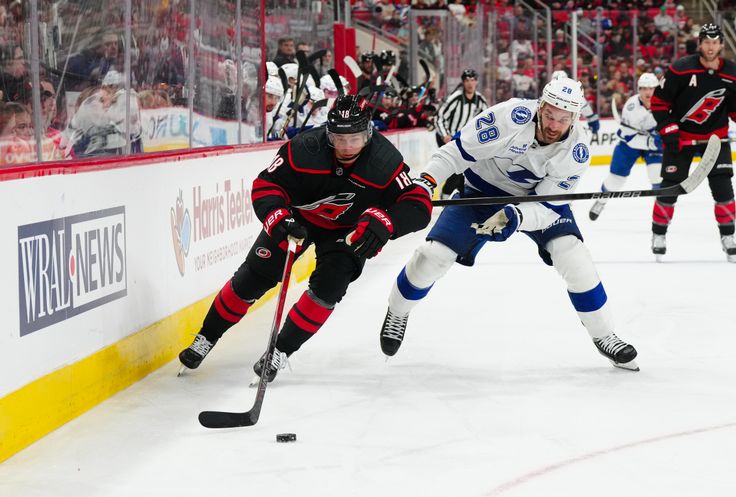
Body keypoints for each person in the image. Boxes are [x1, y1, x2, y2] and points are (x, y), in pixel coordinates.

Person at [380, 75, 640, 371]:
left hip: (534, 203)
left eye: (563, 119)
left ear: (575, 118)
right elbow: (455, 153)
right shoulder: (509, 116)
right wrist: (426, 182)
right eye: (550, 114)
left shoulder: (576, 149)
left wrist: (517, 216)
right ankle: (397, 311)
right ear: (540, 106)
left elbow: (548, 205)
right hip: (479, 192)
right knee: (432, 258)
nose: (554, 125)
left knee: (572, 253)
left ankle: (604, 334)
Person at [178, 95, 432, 381]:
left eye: (356, 138)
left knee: (328, 288)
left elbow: (418, 204)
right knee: (254, 276)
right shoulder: (303, 149)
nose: (347, 146)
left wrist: (387, 222)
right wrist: (278, 218)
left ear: (369, 133)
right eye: (339, 138)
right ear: (328, 133)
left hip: (346, 232)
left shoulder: (385, 162)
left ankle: (281, 351)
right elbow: (266, 184)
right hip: (297, 220)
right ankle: (206, 336)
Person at [650, 23, 736, 263]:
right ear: (699, 43)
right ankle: (658, 235)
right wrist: (669, 130)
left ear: (721, 44)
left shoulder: (733, 73)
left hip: (716, 139)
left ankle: (728, 237)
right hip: (681, 139)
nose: (710, 46)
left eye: (715, 42)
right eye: (706, 42)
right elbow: (659, 103)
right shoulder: (680, 69)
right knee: (669, 187)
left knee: (723, 189)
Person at [589, 72, 662, 221]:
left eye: (651, 88)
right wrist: (652, 142)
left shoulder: (664, 103)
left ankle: (660, 212)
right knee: (615, 180)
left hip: (653, 143)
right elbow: (630, 137)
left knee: (657, 177)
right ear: (638, 89)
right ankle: (601, 201)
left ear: (656, 88)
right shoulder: (631, 106)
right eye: (643, 88)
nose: (647, 92)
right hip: (629, 145)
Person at [435, 69, 489, 199]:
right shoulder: (456, 98)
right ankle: (447, 194)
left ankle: (457, 195)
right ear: (463, 82)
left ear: (476, 81)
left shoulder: (480, 100)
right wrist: (445, 135)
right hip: (447, 136)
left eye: (472, 80)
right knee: (458, 166)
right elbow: (440, 117)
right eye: (467, 80)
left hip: (464, 140)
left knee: (465, 167)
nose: (470, 83)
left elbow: (487, 121)